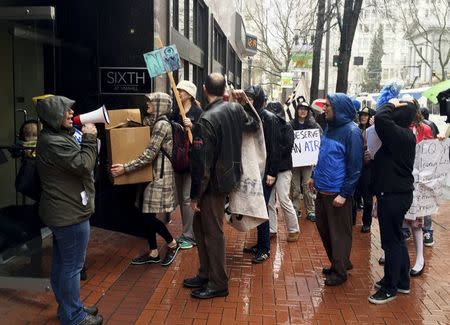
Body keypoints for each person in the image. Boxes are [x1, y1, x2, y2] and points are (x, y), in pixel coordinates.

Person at [183, 73, 259, 299]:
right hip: (226, 178)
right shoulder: (234, 109)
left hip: (212, 185)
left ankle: (218, 282)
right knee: (201, 227)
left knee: (212, 232)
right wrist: (244, 103)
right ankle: (206, 272)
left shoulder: (206, 120)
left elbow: (202, 164)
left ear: (205, 89)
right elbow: (254, 124)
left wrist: (195, 196)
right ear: (224, 88)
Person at [36, 96, 103, 325]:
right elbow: (84, 164)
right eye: (65, 111)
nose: (70, 114)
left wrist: (85, 139)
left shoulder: (55, 137)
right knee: (73, 267)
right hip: (69, 213)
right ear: (54, 116)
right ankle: (74, 316)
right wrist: (90, 138)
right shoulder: (54, 141)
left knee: (62, 263)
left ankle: (69, 308)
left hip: (63, 209)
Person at [110, 92, 180, 267]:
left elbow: (149, 154)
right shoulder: (156, 121)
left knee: (147, 215)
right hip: (152, 174)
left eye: (150, 102)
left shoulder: (162, 125)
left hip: (159, 175)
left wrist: (125, 169)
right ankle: (154, 252)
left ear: (160, 105)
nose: (147, 104)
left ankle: (172, 243)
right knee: (145, 212)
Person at [308, 93, 363, 286]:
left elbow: (355, 168)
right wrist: (314, 176)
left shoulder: (352, 132)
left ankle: (340, 272)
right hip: (322, 190)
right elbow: (322, 154)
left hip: (337, 194)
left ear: (338, 108)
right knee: (325, 230)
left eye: (328, 106)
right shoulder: (330, 128)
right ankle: (338, 262)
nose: (324, 109)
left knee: (339, 234)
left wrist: (344, 193)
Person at [368, 99, 417, 304]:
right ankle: (402, 281)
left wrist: (390, 103)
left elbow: (380, 117)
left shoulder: (400, 135)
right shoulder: (404, 135)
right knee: (396, 238)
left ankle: (390, 287)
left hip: (394, 195)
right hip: (396, 194)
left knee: (391, 243)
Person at [242, 85, 281, 263]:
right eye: (247, 97)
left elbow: (275, 148)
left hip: (266, 172)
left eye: (251, 98)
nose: (248, 100)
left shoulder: (269, 118)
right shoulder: (249, 116)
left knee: (262, 209)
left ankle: (264, 248)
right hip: (254, 170)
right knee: (257, 207)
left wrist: (272, 172)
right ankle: (260, 244)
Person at [170, 80, 202, 249]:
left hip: (192, 161)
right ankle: (187, 231)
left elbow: (204, 135)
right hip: (178, 160)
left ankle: (190, 235)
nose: (178, 94)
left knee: (186, 198)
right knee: (181, 199)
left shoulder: (199, 112)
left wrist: (194, 127)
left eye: (181, 91)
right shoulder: (175, 112)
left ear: (189, 94)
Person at [405, 103, 433, 276]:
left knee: (416, 220)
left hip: (418, 180)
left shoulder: (424, 129)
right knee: (399, 219)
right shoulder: (400, 126)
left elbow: (431, 152)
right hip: (402, 178)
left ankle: (420, 258)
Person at [265, 101, 299, 241]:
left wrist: (273, 152)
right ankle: (272, 229)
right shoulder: (266, 127)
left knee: (284, 199)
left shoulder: (287, 127)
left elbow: (287, 148)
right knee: (269, 202)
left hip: (283, 169)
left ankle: (294, 229)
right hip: (270, 169)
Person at [290, 100, 323, 222]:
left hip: (308, 162)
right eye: (300, 108)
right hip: (294, 162)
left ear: (308, 111)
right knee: (295, 187)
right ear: (297, 110)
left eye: (305, 109)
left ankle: (310, 210)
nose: (302, 111)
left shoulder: (314, 125)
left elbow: (320, 140)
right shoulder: (291, 124)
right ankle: (295, 208)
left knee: (307, 185)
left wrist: (315, 156)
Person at [354, 107, 376, 233]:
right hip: (356, 166)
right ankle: (351, 219)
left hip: (368, 168)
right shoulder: (355, 129)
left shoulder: (374, 131)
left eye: (366, 115)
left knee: (367, 197)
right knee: (354, 194)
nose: (363, 117)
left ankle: (367, 222)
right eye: (361, 115)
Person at [419, 107, 439, 246]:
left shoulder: (426, 127)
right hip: (411, 170)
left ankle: (427, 231)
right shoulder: (404, 126)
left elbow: (433, 147)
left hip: (424, 170)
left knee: (425, 201)